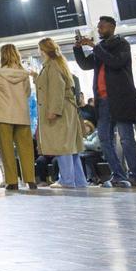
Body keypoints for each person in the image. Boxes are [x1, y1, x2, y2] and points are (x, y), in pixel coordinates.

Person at [73, 17, 136, 187]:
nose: (99, 29)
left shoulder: (121, 45)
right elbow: (86, 65)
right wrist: (78, 49)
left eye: (102, 26)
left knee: (126, 139)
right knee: (104, 139)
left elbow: (116, 62)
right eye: (98, 26)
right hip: (102, 101)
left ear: (112, 27)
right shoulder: (101, 49)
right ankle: (118, 174)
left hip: (120, 99)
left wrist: (95, 47)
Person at [36, 38, 86, 189]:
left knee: (62, 146)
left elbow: (57, 89)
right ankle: (80, 181)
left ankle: (66, 180)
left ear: (42, 50)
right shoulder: (59, 63)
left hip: (60, 110)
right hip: (68, 109)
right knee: (72, 148)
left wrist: (54, 111)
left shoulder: (52, 65)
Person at [0, 44, 36, 191]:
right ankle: (30, 180)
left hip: (3, 114)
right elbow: (27, 93)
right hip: (21, 113)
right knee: (26, 148)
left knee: (6, 149)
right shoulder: (23, 73)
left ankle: (12, 182)